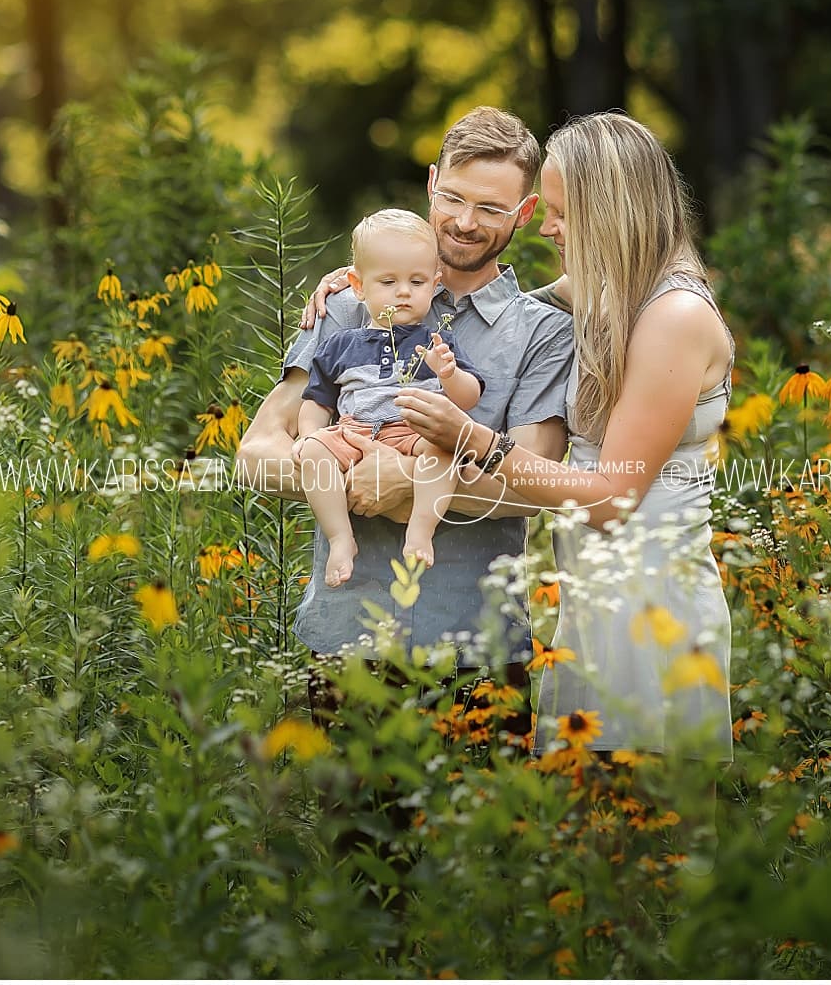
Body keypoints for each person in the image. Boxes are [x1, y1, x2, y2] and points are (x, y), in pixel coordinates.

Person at [390, 110, 737, 766]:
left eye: (561, 213)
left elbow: (611, 497)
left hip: (651, 610)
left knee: (655, 833)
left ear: (611, 212)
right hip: (597, 601)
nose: (547, 228)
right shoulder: (611, 289)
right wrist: (369, 290)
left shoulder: (673, 316)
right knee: (591, 835)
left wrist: (477, 440)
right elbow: (494, 304)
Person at [234, 105, 576, 697]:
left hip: (478, 643)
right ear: (430, 186)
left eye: (491, 208)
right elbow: (256, 453)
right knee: (350, 794)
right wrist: (358, 474)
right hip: (347, 634)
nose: (465, 222)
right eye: (453, 197)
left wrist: (408, 480)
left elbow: (533, 483)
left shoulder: (542, 332)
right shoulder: (345, 305)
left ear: (524, 212)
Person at [293, 208, 485, 583]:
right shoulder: (340, 344)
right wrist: (309, 435)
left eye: (416, 282)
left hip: (412, 431)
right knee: (314, 452)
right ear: (358, 285)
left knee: (444, 453)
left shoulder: (437, 341)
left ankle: (420, 529)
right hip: (353, 431)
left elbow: (470, 397)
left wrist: (450, 374)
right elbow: (317, 400)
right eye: (388, 282)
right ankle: (340, 538)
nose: (403, 292)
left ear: (435, 283)